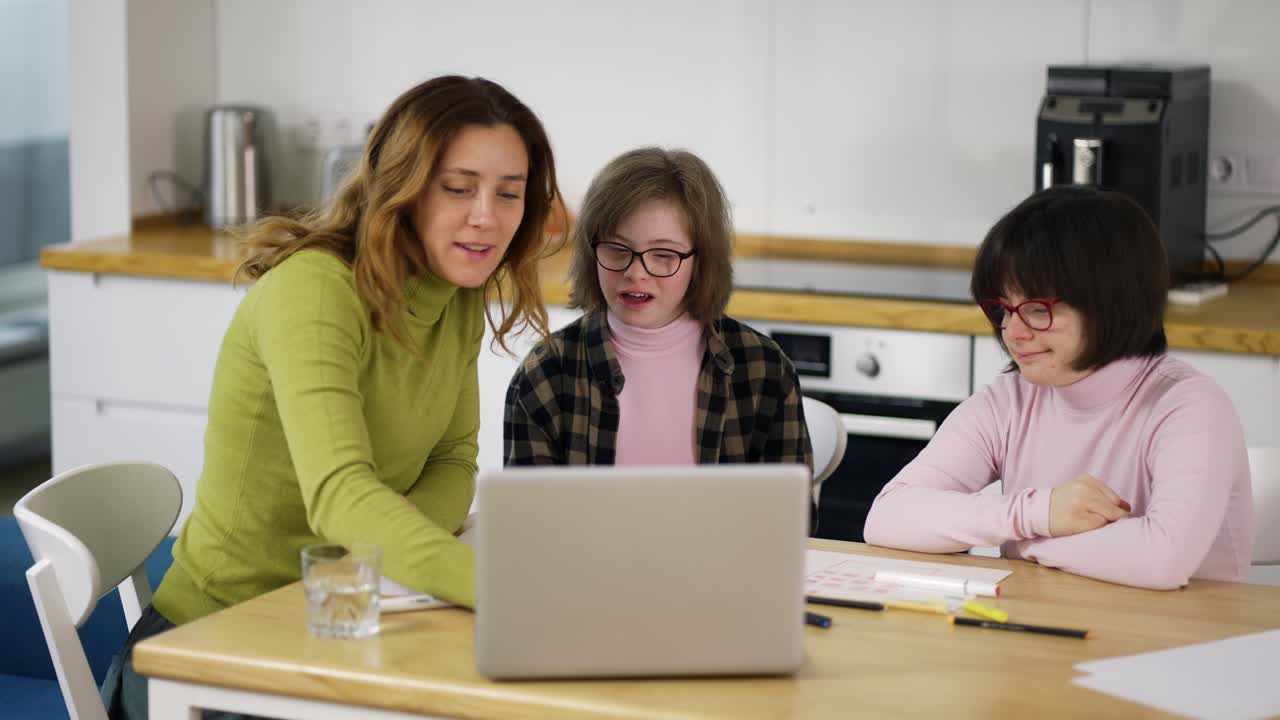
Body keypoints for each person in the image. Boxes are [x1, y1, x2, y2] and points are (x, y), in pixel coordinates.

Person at [102, 75, 561, 720]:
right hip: (210, 652)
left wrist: (366, 550)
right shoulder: (316, 290)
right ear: (402, 186)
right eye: (459, 188)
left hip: (339, 623)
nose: (486, 216)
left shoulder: (456, 293)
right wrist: (505, 591)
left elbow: (455, 463)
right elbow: (340, 495)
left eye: (508, 194)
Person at [863, 185, 1254, 589]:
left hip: (1182, 642)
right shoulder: (1009, 400)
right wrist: (1038, 513)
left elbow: (1163, 560)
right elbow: (887, 517)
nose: (1012, 332)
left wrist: (1031, 541)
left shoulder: (1188, 406)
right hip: (1051, 626)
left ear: (1112, 304)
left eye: (1037, 309)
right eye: (1003, 308)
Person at [503, 146, 813, 476]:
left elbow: (793, 520)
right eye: (617, 249)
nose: (636, 273)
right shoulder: (547, 373)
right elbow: (530, 524)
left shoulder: (764, 369)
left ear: (702, 261)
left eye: (663, 254)